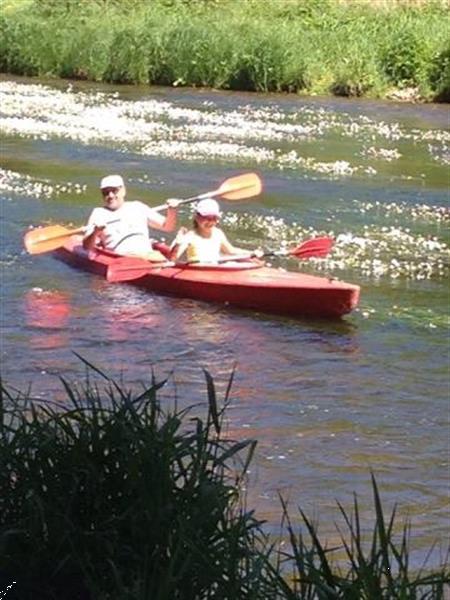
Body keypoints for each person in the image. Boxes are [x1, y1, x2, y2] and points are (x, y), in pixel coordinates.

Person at [83, 174, 180, 259]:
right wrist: (96, 231)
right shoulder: (99, 213)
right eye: (106, 192)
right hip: (121, 259)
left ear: (123, 191)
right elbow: (87, 247)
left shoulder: (137, 206)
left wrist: (172, 211)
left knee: (157, 257)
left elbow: (168, 227)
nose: (110, 195)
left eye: (114, 190)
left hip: (147, 255)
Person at [170, 198, 261, 263]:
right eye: (207, 218)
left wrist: (251, 253)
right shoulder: (190, 236)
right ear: (197, 217)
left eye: (214, 218)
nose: (211, 222)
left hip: (214, 271)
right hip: (197, 272)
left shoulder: (218, 233)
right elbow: (173, 259)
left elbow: (230, 251)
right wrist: (178, 243)